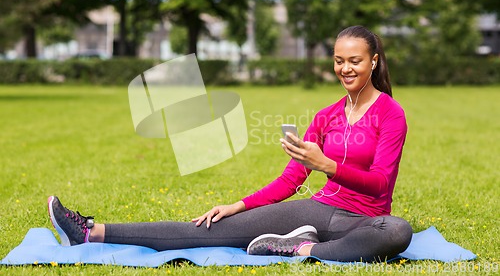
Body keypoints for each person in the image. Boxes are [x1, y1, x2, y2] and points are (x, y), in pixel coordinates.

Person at [48, 25, 413, 262]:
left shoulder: (390, 114)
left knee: (398, 231)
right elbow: (289, 181)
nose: (345, 69)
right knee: (210, 230)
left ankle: (304, 248)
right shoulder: (326, 115)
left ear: (373, 61)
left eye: (355, 61)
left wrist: (327, 166)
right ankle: (89, 231)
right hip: (320, 210)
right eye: (338, 61)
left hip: (366, 220)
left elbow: (381, 183)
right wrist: (235, 206)